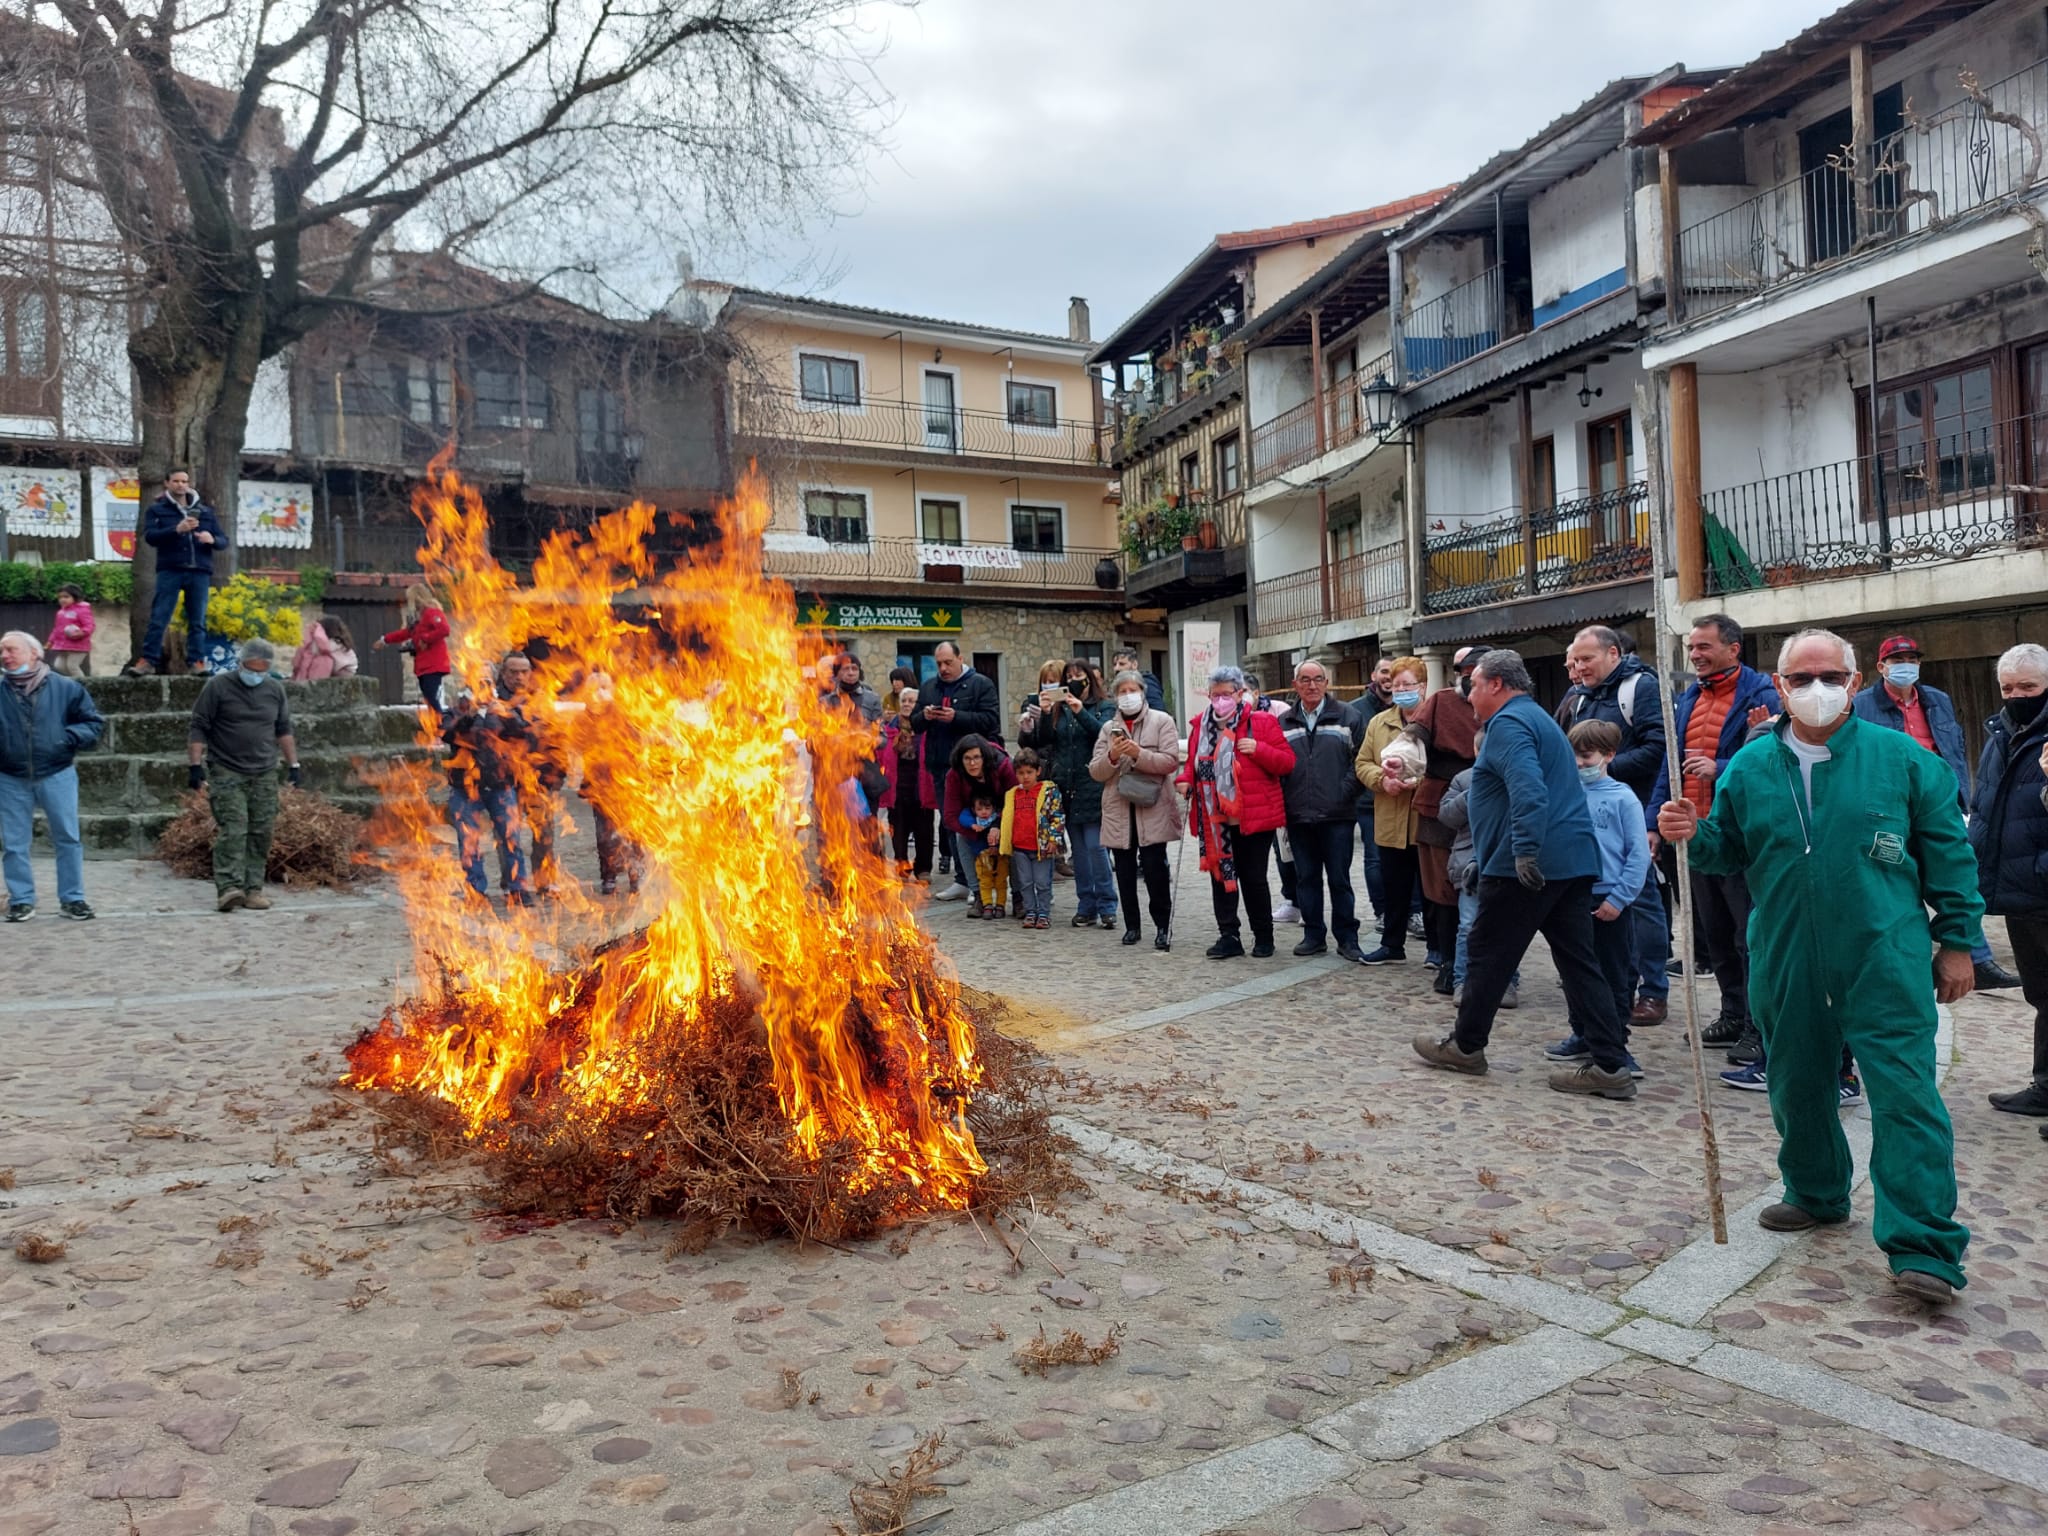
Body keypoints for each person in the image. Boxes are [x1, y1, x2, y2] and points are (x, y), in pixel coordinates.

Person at [1659, 628, 1978, 1307]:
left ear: (1854, 680)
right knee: (1796, 1082)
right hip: (1784, 949)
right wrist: (1693, 833)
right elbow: (1728, 851)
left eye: (1828, 675)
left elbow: (1950, 856)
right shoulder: (1749, 765)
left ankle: (1924, 1243)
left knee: (1906, 1097)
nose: (1815, 689)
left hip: (1882, 954)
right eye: (1799, 679)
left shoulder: (1904, 761)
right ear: (1778, 686)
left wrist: (1956, 941)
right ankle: (1815, 1189)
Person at [1413, 649, 1635, 1102]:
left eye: (1474, 684)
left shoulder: (1509, 724)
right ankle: (1610, 1063)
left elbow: (1528, 788)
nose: (1469, 694)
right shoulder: (1535, 718)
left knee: (1487, 955)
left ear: (1496, 684)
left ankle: (1466, 1046)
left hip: (1527, 866)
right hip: (1570, 862)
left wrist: (1525, 852)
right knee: (1578, 963)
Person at [1648, 614, 1779, 1063]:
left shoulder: (1762, 696)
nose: (1695, 654)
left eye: (1704, 646)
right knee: (1716, 936)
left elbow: (1773, 759)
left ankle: (1759, 1027)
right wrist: (1653, 822)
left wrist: (1721, 767)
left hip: (1738, 838)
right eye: (1692, 646)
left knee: (1750, 938)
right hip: (1695, 837)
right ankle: (1731, 1015)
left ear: (1733, 649)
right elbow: (1670, 762)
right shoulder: (1688, 698)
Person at [1854, 634, 2019, 990]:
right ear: (1881, 667)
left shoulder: (1937, 701)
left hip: (1940, 801)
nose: (1906, 665)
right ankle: (1914, 957)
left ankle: (1975, 956)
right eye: (1897, 659)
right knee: (1900, 878)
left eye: (1912, 658)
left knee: (1956, 876)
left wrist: (1962, 796)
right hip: (1892, 804)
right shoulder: (1862, 705)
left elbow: (1954, 748)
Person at [1557, 625, 1672, 1025]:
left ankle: (1653, 991)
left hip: (1632, 810)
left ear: (1612, 654)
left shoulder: (1640, 689)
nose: (1578, 667)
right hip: (1585, 818)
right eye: (1574, 660)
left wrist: (1605, 771)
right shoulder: (1577, 697)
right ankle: (1607, 988)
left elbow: (1660, 749)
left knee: (1640, 901)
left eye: (1586, 659)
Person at [1544, 719, 1647, 1078]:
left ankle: (1616, 1041)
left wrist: (1619, 898)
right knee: (1574, 973)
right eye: (1574, 756)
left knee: (1615, 975)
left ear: (1608, 755)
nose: (1580, 764)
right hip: (1572, 896)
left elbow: (1638, 855)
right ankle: (1583, 1032)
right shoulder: (1564, 792)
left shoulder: (1623, 798)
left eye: (1587, 756)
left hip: (1609, 899)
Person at [1972, 643, 2048, 1118]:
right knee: (2042, 994)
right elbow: (1985, 807)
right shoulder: (2001, 731)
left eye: (2029, 687)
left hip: (2042, 883)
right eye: (2008, 687)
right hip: (2020, 891)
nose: (2017, 695)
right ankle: (2044, 1086)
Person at [1179, 665, 1295, 960]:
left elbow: (1286, 763)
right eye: (1214, 695)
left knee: (1253, 878)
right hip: (1214, 818)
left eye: (1226, 694)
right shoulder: (1200, 727)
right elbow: (1192, 764)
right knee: (1220, 876)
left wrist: (1259, 750)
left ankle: (1263, 936)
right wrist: (1184, 781)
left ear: (1240, 693)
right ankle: (1228, 935)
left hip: (1253, 817)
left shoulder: (1262, 722)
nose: (1220, 700)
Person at [187, 636, 300, 914]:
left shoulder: (274, 690)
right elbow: (199, 725)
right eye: (251, 668)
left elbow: (283, 729)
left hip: (264, 771)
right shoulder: (218, 687)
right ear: (240, 664)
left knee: (262, 830)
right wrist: (195, 765)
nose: (256, 675)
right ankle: (228, 888)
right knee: (234, 828)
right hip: (227, 769)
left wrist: (294, 765)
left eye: (262, 670)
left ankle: (253, 889)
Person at [0, 631, 102, 922]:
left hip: (57, 773)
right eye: (2, 651)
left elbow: (92, 723)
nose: (5, 655)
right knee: (14, 843)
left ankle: (73, 899)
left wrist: (66, 737)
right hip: (9, 776)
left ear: (34, 653)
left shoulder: (66, 688)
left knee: (68, 837)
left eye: (11, 649)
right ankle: (21, 900)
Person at [1278, 659, 1366, 962]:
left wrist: (1343, 794)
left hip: (1338, 815)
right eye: (1305, 679)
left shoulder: (1348, 717)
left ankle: (1347, 938)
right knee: (1306, 879)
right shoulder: (1284, 722)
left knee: (1340, 879)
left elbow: (1362, 763)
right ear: (1295, 685)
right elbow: (1278, 767)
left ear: (1327, 683)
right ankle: (1313, 935)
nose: (1311, 685)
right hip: (1299, 815)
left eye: (1318, 679)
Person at [1091, 669, 1183, 950]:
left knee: (1156, 871)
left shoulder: (1162, 721)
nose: (1128, 696)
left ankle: (1162, 927)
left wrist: (1138, 754)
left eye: (1133, 690)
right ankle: (1132, 926)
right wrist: (1113, 755)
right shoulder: (1108, 729)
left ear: (1142, 692)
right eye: (1122, 691)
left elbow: (1169, 762)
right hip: (1120, 810)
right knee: (1125, 872)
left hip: (1152, 808)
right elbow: (1096, 771)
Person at [1410, 645, 1483, 993]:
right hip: (1439, 805)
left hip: (1489, 802)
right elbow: (1412, 738)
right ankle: (1447, 961)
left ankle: (1483, 967)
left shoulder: (1509, 705)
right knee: (1442, 890)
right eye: (1460, 671)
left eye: (1471, 671)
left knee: (1482, 887)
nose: (1464, 678)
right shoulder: (1440, 701)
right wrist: (1399, 757)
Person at [1024, 659, 1118, 928]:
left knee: (1096, 847)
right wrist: (1044, 713)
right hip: (1067, 786)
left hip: (1093, 784)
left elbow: (1103, 734)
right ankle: (1086, 904)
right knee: (1078, 849)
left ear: (1090, 679)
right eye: (1070, 676)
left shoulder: (1104, 706)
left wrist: (1079, 711)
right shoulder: (1059, 709)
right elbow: (1045, 741)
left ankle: (1107, 904)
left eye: (1079, 676)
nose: (1074, 680)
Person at [1354, 657, 1432, 964]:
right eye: (1397, 684)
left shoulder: (1433, 720)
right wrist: (1381, 780)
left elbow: (1445, 769)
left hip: (1424, 819)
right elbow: (1362, 763)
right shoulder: (1379, 722)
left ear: (1423, 687)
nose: (1400, 690)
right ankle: (1392, 945)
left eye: (1408, 684)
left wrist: (1414, 782)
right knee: (1394, 887)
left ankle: (1437, 950)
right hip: (1388, 818)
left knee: (1430, 891)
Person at [915, 641, 1001, 900]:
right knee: (952, 823)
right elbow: (915, 723)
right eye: (939, 663)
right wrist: (926, 716)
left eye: (948, 663)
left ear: (960, 658)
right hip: (943, 768)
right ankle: (963, 879)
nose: (943, 668)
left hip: (976, 770)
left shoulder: (980, 684)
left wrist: (957, 717)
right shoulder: (929, 686)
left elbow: (990, 721)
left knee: (980, 824)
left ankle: (986, 880)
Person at [1438, 736, 1519, 1008]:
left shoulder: (1519, 778)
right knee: (1468, 926)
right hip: (1469, 864)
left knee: (1508, 926)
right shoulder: (1463, 780)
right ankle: (1463, 981)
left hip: (1507, 862)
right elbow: (1447, 816)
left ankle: (1507, 983)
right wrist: (1475, 793)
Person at [441, 688, 534, 906]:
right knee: (469, 841)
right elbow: (447, 733)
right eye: (477, 683)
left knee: (511, 838)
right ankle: (475, 891)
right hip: (465, 787)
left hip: (500, 784)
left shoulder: (504, 710)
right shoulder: (456, 712)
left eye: (486, 682)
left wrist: (505, 715)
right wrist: (470, 716)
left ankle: (518, 888)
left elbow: (524, 733)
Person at [136, 469, 228, 676]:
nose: (180, 485)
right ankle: (148, 661)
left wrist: (211, 539)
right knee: (159, 617)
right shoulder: (157, 510)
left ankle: (196, 662)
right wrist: (176, 530)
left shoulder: (205, 511)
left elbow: (224, 540)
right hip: (170, 570)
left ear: (189, 483)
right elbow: (150, 537)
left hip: (199, 571)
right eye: (176, 481)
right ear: (167, 483)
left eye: (184, 481)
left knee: (198, 620)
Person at [1241, 671, 1302, 923]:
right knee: (1282, 854)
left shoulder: (1278, 711)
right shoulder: (1223, 720)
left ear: (1255, 693)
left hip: (1287, 791)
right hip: (1260, 802)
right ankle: (1292, 900)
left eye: (1243, 691)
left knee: (1296, 852)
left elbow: (1286, 757)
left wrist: (1258, 749)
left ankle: (1306, 903)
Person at [577, 671, 644, 896]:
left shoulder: (624, 715)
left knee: (632, 833)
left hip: (626, 784)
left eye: (604, 687)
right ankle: (609, 876)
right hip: (599, 786)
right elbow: (577, 745)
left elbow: (637, 744)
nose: (600, 692)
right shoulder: (584, 718)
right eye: (595, 688)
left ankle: (635, 874)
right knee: (605, 836)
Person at [942, 733, 1016, 919]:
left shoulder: (1004, 767)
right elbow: (950, 815)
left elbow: (1014, 800)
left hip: (1005, 817)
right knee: (961, 840)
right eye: (967, 759)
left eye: (976, 757)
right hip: (974, 823)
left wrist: (999, 826)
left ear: (984, 757)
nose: (972, 763)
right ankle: (978, 896)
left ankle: (1019, 897)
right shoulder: (954, 775)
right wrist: (977, 831)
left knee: (1015, 843)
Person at [1002, 748, 1065, 929]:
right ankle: (1030, 911)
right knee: (1025, 882)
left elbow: (1057, 815)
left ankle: (1043, 912)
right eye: (1021, 773)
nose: (1025, 777)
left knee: (1043, 882)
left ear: (1038, 771)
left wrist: (1054, 839)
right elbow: (1008, 819)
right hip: (1020, 847)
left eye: (1029, 772)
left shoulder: (1048, 791)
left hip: (1042, 847)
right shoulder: (1013, 794)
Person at [376, 586, 453, 716]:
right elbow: (406, 633)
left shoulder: (431, 612)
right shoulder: (418, 618)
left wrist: (425, 638)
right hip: (423, 665)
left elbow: (444, 629)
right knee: (429, 699)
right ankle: (439, 723)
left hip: (433, 664)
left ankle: (446, 720)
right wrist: (385, 640)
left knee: (433, 699)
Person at [882, 689, 932, 881]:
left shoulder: (925, 727)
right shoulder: (890, 727)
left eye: (911, 701)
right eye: (904, 700)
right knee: (898, 829)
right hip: (897, 785)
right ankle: (901, 865)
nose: (906, 704)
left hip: (921, 784)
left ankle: (923, 868)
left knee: (924, 828)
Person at [45, 584, 94, 678]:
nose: (62, 599)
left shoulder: (82, 610)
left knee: (72, 666)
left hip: (79, 646)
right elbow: (57, 629)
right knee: (59, 665)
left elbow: (90, 625)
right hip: (64, 645)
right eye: (60, 597)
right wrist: (50, 641)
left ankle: (84, 685)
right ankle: (72, 683)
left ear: (75, 597)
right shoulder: (61, 612)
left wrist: (82, 632)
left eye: (66, 597)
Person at [291, 616, 359, 681]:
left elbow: (317, 650)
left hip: (344, 670)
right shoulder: (340, 640)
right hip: (345, 669)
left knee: (323, 660)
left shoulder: (335, 642)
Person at [821, 651, 883, 722]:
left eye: (854, 669)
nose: (851, 673)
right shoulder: (825, 701)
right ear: (837, 673)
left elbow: (879, 729)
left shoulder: (872, 699)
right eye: (846, 669)